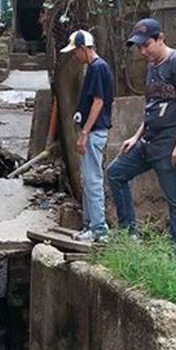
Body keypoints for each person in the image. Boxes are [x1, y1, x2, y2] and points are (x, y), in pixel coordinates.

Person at [107, 18, 176, 247]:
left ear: (160, 38)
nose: (142, 51)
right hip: (149, 141)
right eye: (139, 47)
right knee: (116, 172)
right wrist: (136, 136)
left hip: (170, 143)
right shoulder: (151, 67)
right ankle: (129, 234)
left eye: (146, 45)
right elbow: (153, 107)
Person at [60, 30, 115, 243]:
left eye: (75, 51)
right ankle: (91, 226)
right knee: (89, 179)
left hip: (94, 132)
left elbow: (99, 102)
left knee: (92, 181)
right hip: (92, 131)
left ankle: (98, 229)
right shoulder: (93, 68)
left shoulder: (98, 68)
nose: (74, 56)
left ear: (84, 49)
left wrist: (84, 132)